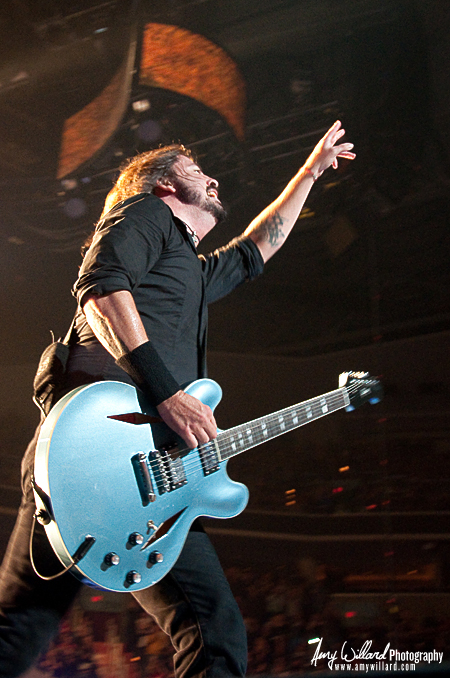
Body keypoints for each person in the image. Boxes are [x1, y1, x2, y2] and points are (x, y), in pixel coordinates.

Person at [0, 121, 355, 677]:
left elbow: (258, 247)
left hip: (143, 481)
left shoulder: (189, 270)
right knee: (210, 630)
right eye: (195, 170)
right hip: (95, 456)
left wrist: (310, 173)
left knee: (22, 629)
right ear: (163, 183)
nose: (212, 179)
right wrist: (167, 393)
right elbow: (101, 288)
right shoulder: (147, 214)